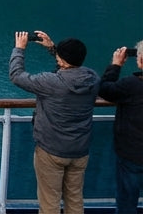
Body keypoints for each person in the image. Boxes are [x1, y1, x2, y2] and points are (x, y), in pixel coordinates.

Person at [10, 31, 100, 214]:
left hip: (51, 150)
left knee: (50, 202)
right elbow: (71, 68)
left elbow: (17, 76)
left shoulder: (51, 82)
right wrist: (53, 49)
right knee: (75, 199)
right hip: (79, 150)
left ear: (61, 60)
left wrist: (19, 49)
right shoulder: (93, 79)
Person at [100, 42, 143, 214]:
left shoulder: (131, 85)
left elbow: (104, 89)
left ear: (141, 60)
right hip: (131, 153)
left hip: (132, 154)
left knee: (127, 201)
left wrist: (115, 66)